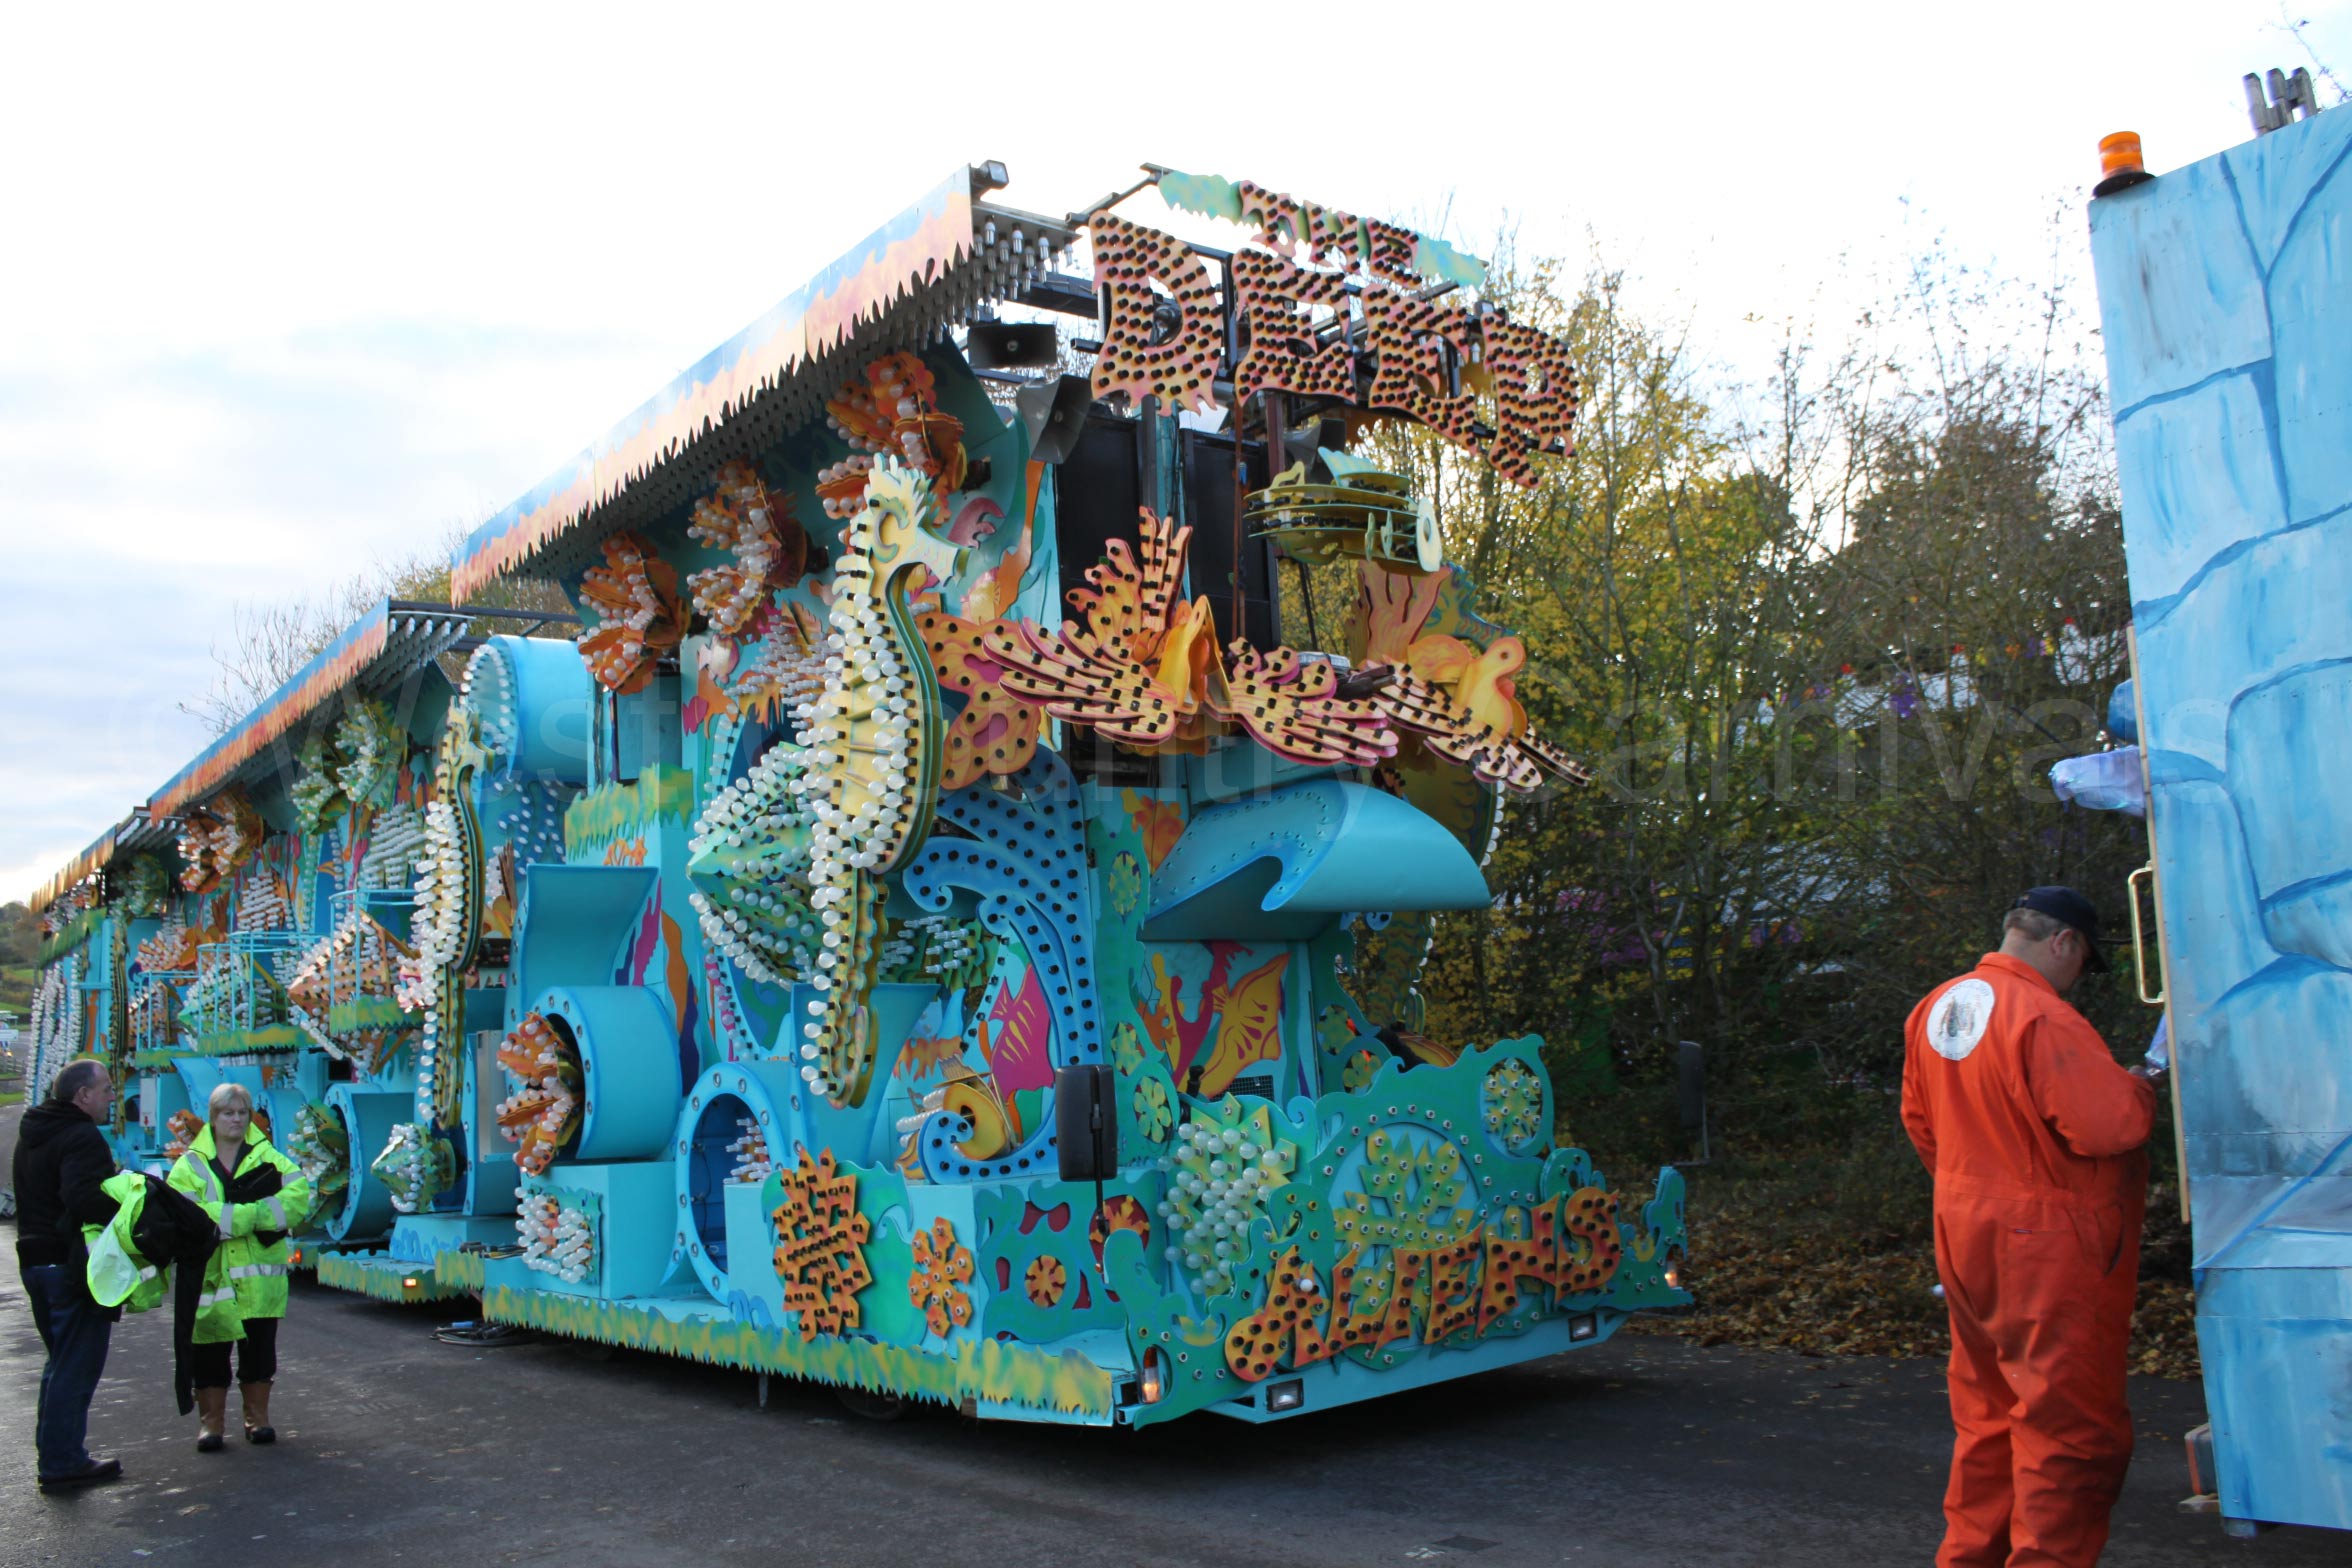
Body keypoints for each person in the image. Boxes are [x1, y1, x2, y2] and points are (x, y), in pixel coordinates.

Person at [1902, 887, 2163, 1568]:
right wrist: (2138, 1084)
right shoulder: (2043, 1016)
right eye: (2084, 961)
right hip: (2045, 1247)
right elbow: (2110, 1127)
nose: (2079, 976)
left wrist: (1976, 1188)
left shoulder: (1937, 1007)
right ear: (2063, 941)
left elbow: (1922, 1124)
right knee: (2069, 1431)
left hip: (1963, 1231)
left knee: (1987, 1419)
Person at [166, 1082, 312, 1451]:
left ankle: (257, 1420)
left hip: (259, 1281)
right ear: (213, 1118)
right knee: (208, 1354)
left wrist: (232, 1218)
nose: (236, 1119)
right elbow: (185, 1216)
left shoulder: (270, 1160)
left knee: (259, 1352)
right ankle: (211, 1425)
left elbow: (297, 1202)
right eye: (228, 1113)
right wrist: (254, 1215)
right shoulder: (189, 1165)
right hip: (210, 1279)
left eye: (242, 1112)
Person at [11, 1057, 127, 1492]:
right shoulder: (81, 1137)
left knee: (59, 1362)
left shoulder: (34, 1133)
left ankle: (55, 1455)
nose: (112, 1097)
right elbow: (84, 1199)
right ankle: (63, 1462)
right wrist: (127, 1199)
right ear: (83, 1095)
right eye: (107, 1089)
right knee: (75, 1366)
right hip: (69, 1264)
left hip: (34, 1259)